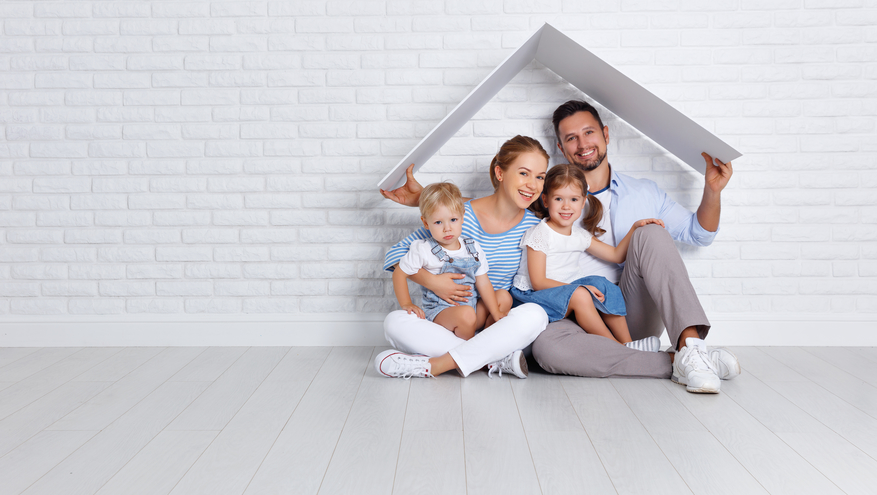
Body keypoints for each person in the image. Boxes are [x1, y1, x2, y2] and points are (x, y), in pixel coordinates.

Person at [531, 100, 741, 393]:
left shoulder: (645, 193)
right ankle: (683, 361)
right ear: (561, 147)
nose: (582, 144)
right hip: (573, 316)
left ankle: (690, 345)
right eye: (571, 138)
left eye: (589, 132)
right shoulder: (550, 200)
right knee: (546, 349)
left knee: (650, 232)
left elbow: (699, 234)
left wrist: (712, 191)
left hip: (628, 313)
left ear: (605, 134)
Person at [375, 135, 550, 379]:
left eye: (540, 177)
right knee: (394, 322)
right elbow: (395, 256)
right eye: (524, 173)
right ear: (500, 173)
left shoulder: (535, 228)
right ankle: (491, 359)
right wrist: (433, 282)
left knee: (536, 315)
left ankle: (436, 364)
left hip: (492, 322)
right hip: (451, 319)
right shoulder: (458, 216)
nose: (533, 184)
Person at [510, 164, 663, 351]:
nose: (566, 206)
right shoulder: (540, 234)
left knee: (603, 284)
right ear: (546, 200)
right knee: (581, 294)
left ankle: (628, 342)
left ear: (583, 203)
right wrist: (579, 288)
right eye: (558, 198)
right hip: (532, 296)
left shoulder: (579, 235)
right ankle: (619, 349)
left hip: (565, 291)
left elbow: (615, 256)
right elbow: (538, 282)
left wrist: (634, 228)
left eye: (573, 199)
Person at [393, 181, 510, 340]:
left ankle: (485, 344)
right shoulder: (424, 249)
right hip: (442, 315)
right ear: (426, 223)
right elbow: (399, 273)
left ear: (462, 218)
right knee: (466, 314)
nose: (447, 228)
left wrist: (495, 312)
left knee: (503, 297)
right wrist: (406, 303)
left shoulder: (472, 247)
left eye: (453, 220)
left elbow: (483, 282)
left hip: (472, 311)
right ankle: (465, 357)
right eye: (438, 222)